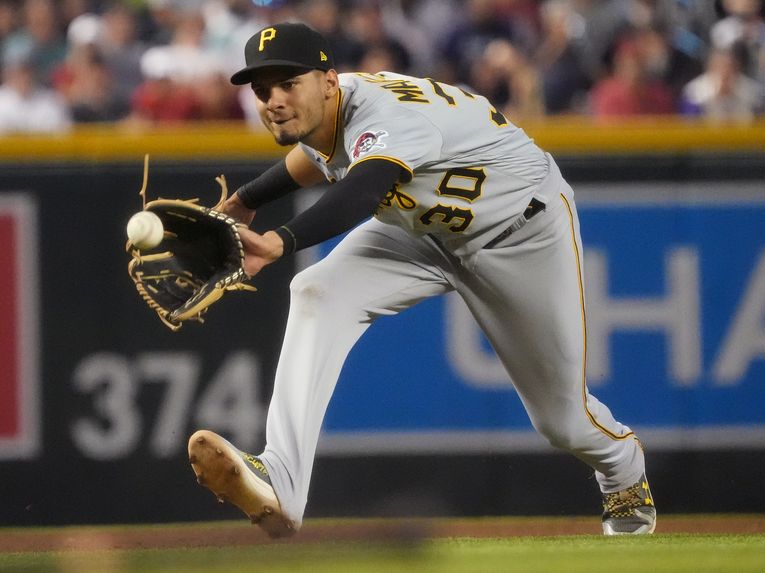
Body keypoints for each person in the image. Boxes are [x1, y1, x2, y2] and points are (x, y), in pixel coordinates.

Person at [187, 22, 656, 538]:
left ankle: (621, 466)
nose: (273, 100)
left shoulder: (387, 114)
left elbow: (365, 189)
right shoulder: (326, 110)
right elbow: (316, 156)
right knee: (316, 291)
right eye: (261, 90)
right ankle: (279, 480)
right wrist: (243, 201)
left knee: (563, 422)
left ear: (328, 80)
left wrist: (281, 240)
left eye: (286, 84)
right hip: (422, 233)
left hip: (519, 233)